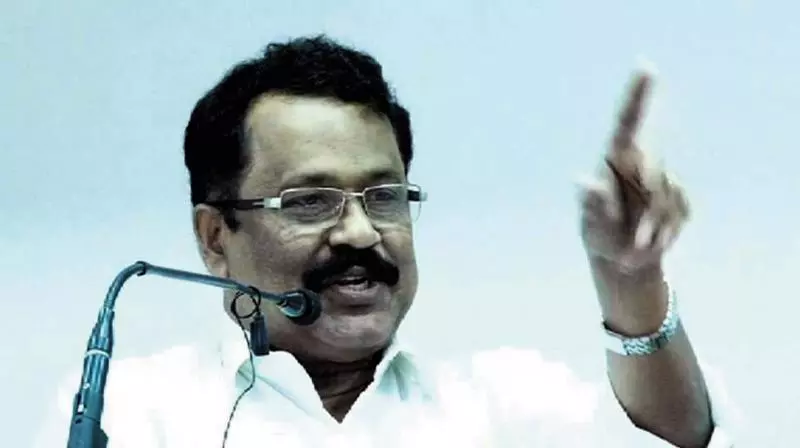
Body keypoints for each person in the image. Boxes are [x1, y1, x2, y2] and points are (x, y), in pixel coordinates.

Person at [37, 35, 736, 447]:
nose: (361, 231)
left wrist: (630, 285)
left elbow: (676, 444)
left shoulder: (503, 402)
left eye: (384, 196)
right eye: (310, 201)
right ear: (215, 236)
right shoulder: (131, 410)